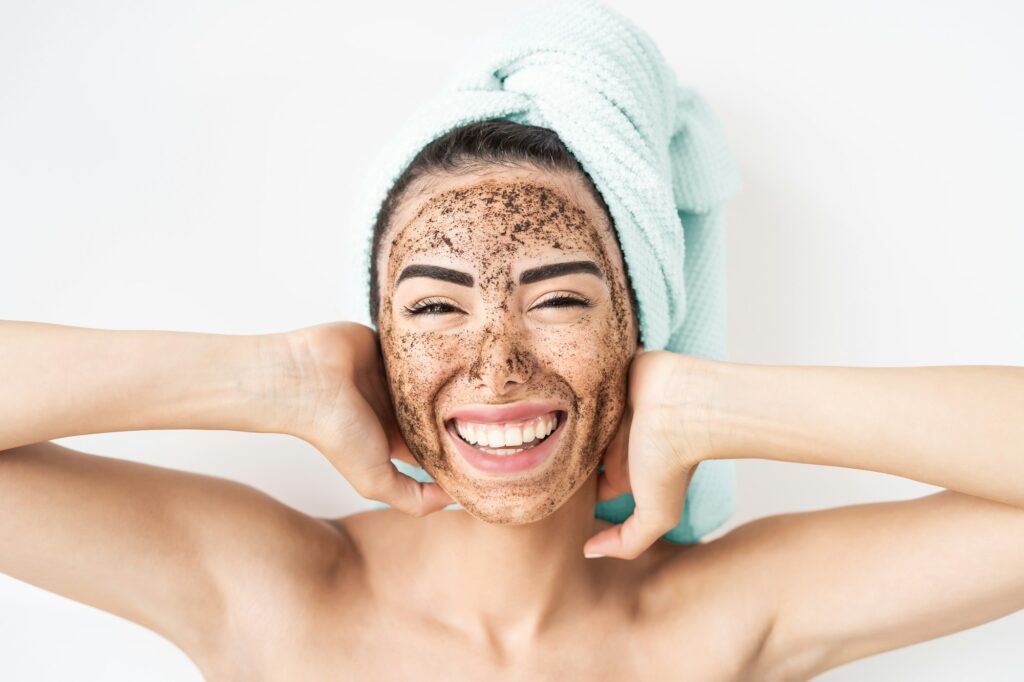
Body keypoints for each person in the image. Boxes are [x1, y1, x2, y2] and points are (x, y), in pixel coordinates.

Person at [2, 119, 1022, 681]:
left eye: (561, 298)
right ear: (380, 349)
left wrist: (713, 406)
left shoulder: (718, 620)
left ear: (636, 326)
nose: (497, 364)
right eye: (435, 305)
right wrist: (269, 380)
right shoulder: (271, 593)